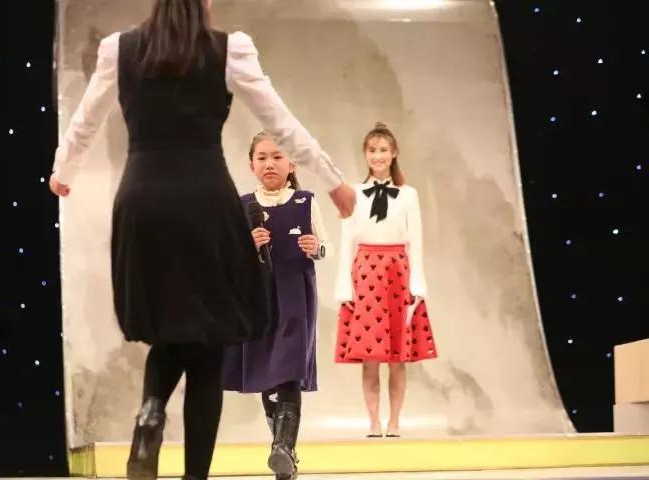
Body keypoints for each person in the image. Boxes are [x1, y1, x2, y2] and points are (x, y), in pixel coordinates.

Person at [48, 1, 355, 479]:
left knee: (167, 330)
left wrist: (63, 171)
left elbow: (85, 121)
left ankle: (151, 411)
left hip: (142, 200)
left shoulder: (119, 49)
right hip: (206, 201)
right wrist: (332, 179)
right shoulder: (229, 49)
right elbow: (281, 123)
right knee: (210, 345)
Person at [223, 132, 330, 479]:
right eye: (262, 157)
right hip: (257, 298)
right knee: (268, 371)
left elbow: (325, 246)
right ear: (251, 165)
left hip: (295, 294)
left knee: (289, 368)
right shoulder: (242, 205)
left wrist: (316, 248)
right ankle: (284, 452)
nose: (270, 163)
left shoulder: (305, 201)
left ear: (291, 163)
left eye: (277, 156)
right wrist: (247, 245)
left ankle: (283, 447)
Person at [333, 122, 438, 439]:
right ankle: (373, 422)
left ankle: (394, 421)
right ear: (365, 154)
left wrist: (417, 283)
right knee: (370, 357)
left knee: (396, 357)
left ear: (394, 153)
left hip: (397, 272)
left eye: (383, 150)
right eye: (372, 150)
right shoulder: (353, 193)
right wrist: (344, 285)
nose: (377, 156)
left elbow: (416, 240)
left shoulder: (408, 195)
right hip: (365, 273)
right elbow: (346, 241)